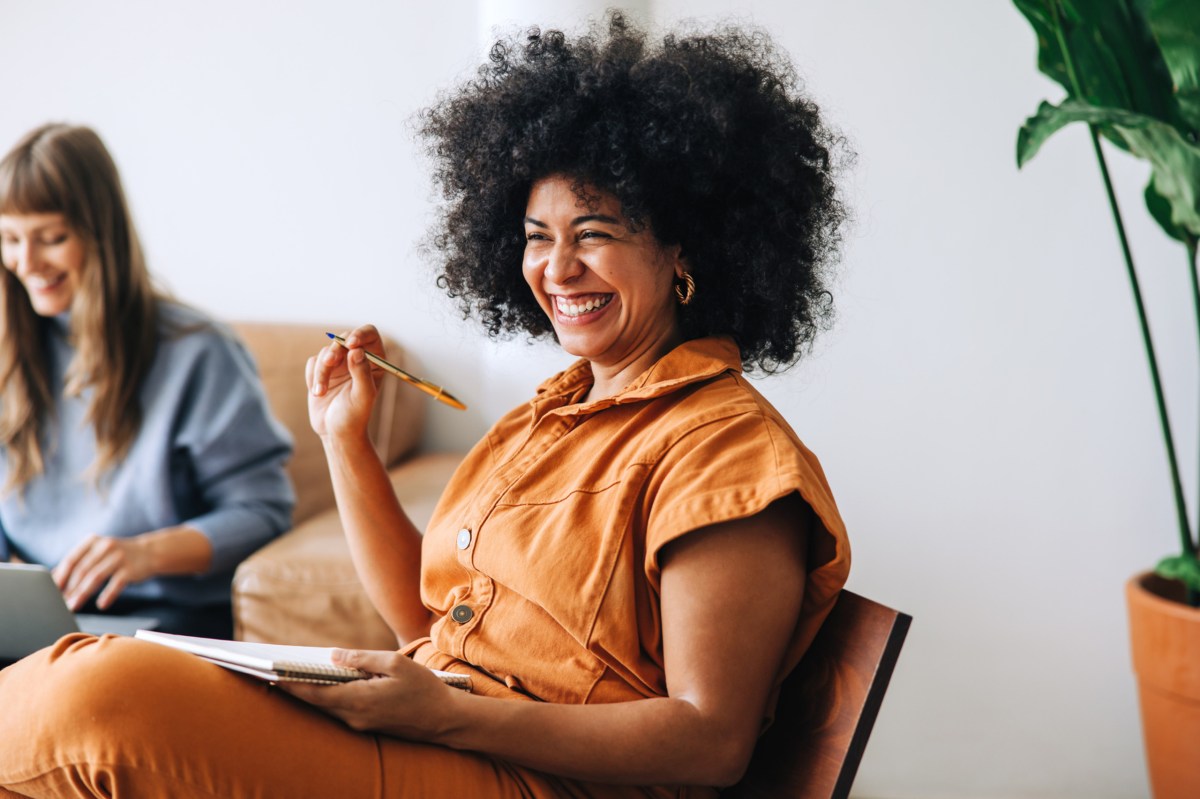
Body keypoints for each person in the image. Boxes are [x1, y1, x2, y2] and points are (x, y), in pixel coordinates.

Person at [0, 14, 851, 798]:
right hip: (445, 733)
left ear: (685, 251)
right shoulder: (548, 414)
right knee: (83, 680)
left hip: (529, 776)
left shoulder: (728, 450)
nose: (556, 269)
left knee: (95, 696)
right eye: (535, 235)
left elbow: (710, 741)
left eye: (593, 231)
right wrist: (345, 439)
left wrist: (448, 715)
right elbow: (421, 614)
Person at [0, 123, 295, 640]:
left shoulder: (197, 351)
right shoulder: (11, 351)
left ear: (100, 234)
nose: (27, 263)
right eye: (9, 239)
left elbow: (262, 511)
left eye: (51, 238)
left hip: (162, 628)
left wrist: (145, 553)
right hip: (43, 625)